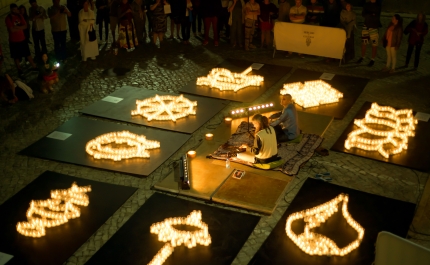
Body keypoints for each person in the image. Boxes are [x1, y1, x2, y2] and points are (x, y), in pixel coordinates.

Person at [5, 3, 38, 76]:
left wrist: (16, 27)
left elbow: (25, 26)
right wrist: (20, 27)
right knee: (16, 56)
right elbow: (11, 30)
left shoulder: (19, 16)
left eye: (17, 9)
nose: (16, 10)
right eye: (15, 9)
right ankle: (19, 69)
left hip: (22, 39)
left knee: (28, 54)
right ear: (11, 10)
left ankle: (34, 66)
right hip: (14, 41)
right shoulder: (8, 18)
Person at [356, 0, 381, 67]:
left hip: (374, 27)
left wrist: (369, 14)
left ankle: (372, 59)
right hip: (366, 26)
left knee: (374, 43)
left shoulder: (378, 5)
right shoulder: (367, 4)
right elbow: (363, 14)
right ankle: (362, 57)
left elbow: (376, 16)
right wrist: (371, 14)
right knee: (364, 42)